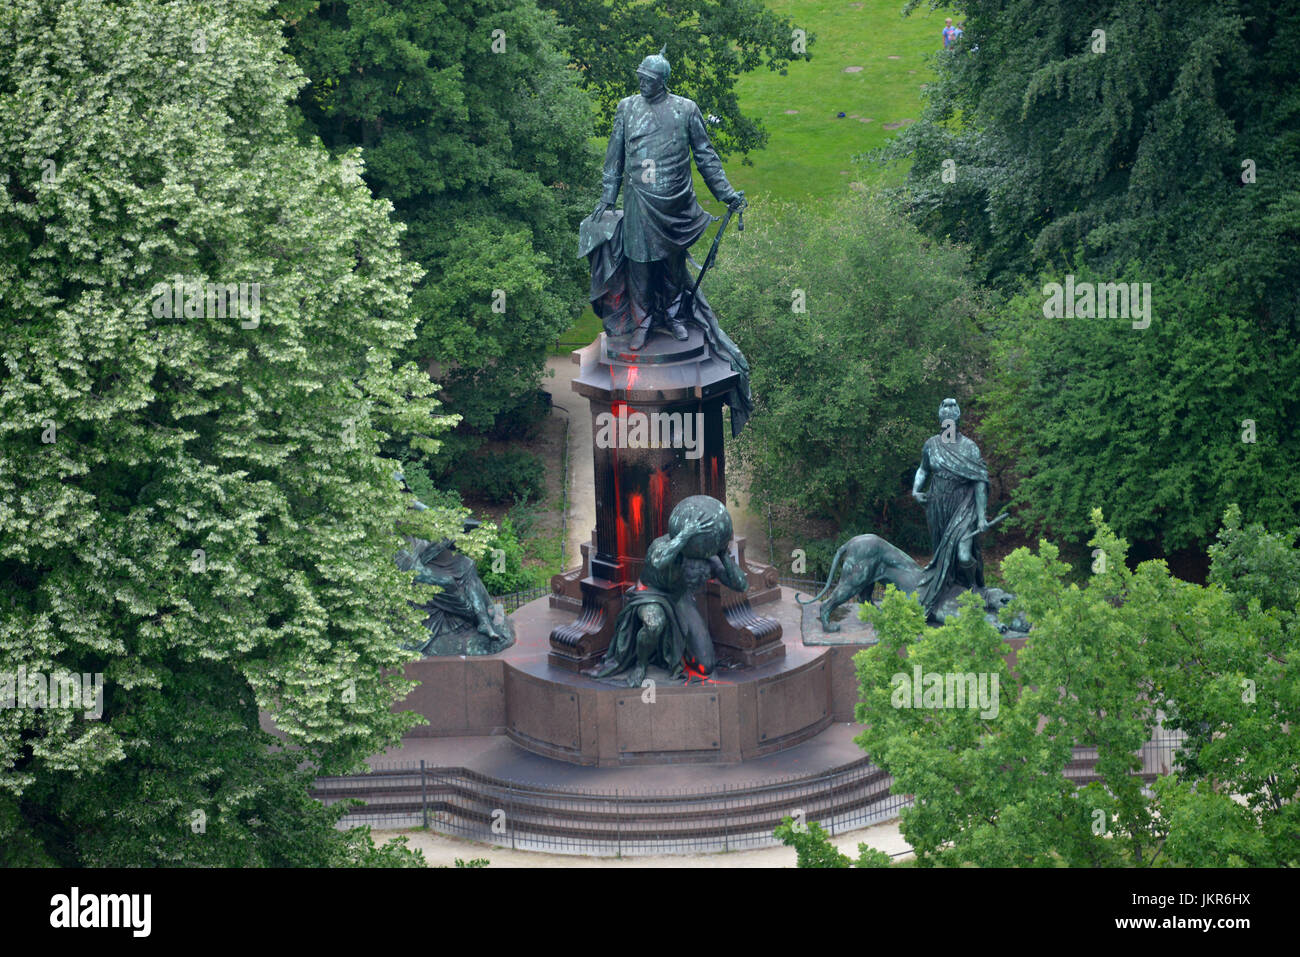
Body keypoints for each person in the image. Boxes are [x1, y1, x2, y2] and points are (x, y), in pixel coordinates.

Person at [590, 46, 746, 351]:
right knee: (639, 266)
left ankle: (674, 317)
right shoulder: (627, 108)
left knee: (673, 265)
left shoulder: (686, 109)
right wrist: (608, 197)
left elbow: (705, 156)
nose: (642, 83)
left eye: (648, 78)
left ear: (662, 80)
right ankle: (643, 322)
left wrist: (726, 193)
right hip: (638, 201)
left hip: (675, 203)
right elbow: (614, 157)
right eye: (640, 77)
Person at [911, 397, 991, 616]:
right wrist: (916, 491)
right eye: (944, 409)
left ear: (957, 418)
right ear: (940, 418)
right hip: (938, 505)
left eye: (952, 408)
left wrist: (982, 517)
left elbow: (980, 482)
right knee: (942, 552)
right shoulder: (931, 444)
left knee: (964, 554)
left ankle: (974, 586)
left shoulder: (969, 448)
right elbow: (923, 470)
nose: (948, 413)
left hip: (964, 506)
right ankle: (948, 590)